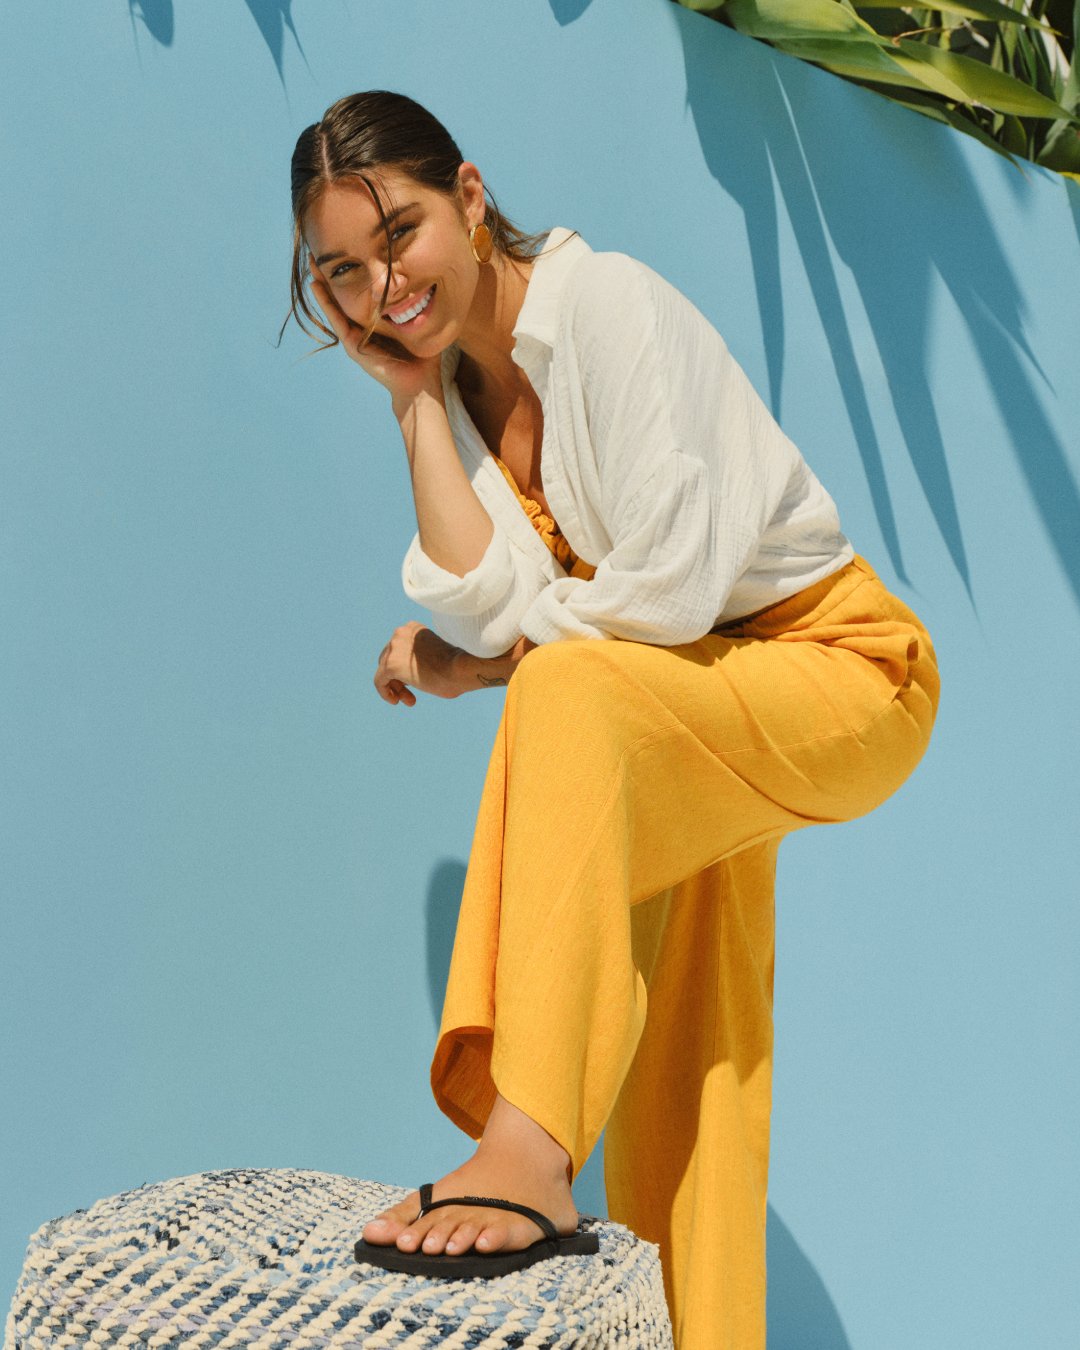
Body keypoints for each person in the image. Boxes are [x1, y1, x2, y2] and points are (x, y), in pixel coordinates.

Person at [284, 89, 940, 1350]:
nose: (382, 288)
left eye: (403, 234)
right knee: (690, 1070)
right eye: (343, 273)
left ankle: (526, 1137)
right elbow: (489, 599)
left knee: (567, 686)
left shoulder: (610, 308)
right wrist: (410, 399)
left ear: (472, 199)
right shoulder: (463, 386)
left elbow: (663, 590)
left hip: (840, 669)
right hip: (685, 698)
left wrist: (482, 672)